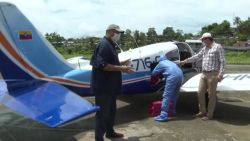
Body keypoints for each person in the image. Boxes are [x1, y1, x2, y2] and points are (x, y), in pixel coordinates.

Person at [90, 24, 134, 141]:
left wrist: (122, 63)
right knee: (102, 114)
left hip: (110, 87)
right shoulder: (104, 45)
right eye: (117, 32)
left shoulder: (110, 44)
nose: (119, 35)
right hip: (103, 88)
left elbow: (111, 62)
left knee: (111, 112)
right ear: (110, 32)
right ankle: (99, 138)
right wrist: (122, 68)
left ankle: (110, 132)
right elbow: (103, 65)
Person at [180, 32, 225, 121]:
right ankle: (202, 111)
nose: (202, 41)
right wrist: (186, 60)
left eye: (203, 39)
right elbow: (197, 56)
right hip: (203, 74)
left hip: (213, 74)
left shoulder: (218, 47)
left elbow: (222, 61)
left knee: (211, 95)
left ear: (208, 38)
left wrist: (220, 74)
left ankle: (209, 114)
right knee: (200, 92)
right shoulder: (205, 48)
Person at [151, 53, 183, 122]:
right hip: (180, 75)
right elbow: (171, 72)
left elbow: (153, 73)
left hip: (172, 76)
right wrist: (162, 78)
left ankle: (163, 115)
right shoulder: (171, 62)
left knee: (166, 95)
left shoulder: (161, 63)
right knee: (175, 94)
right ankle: (172, 111)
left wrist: (156, 76)